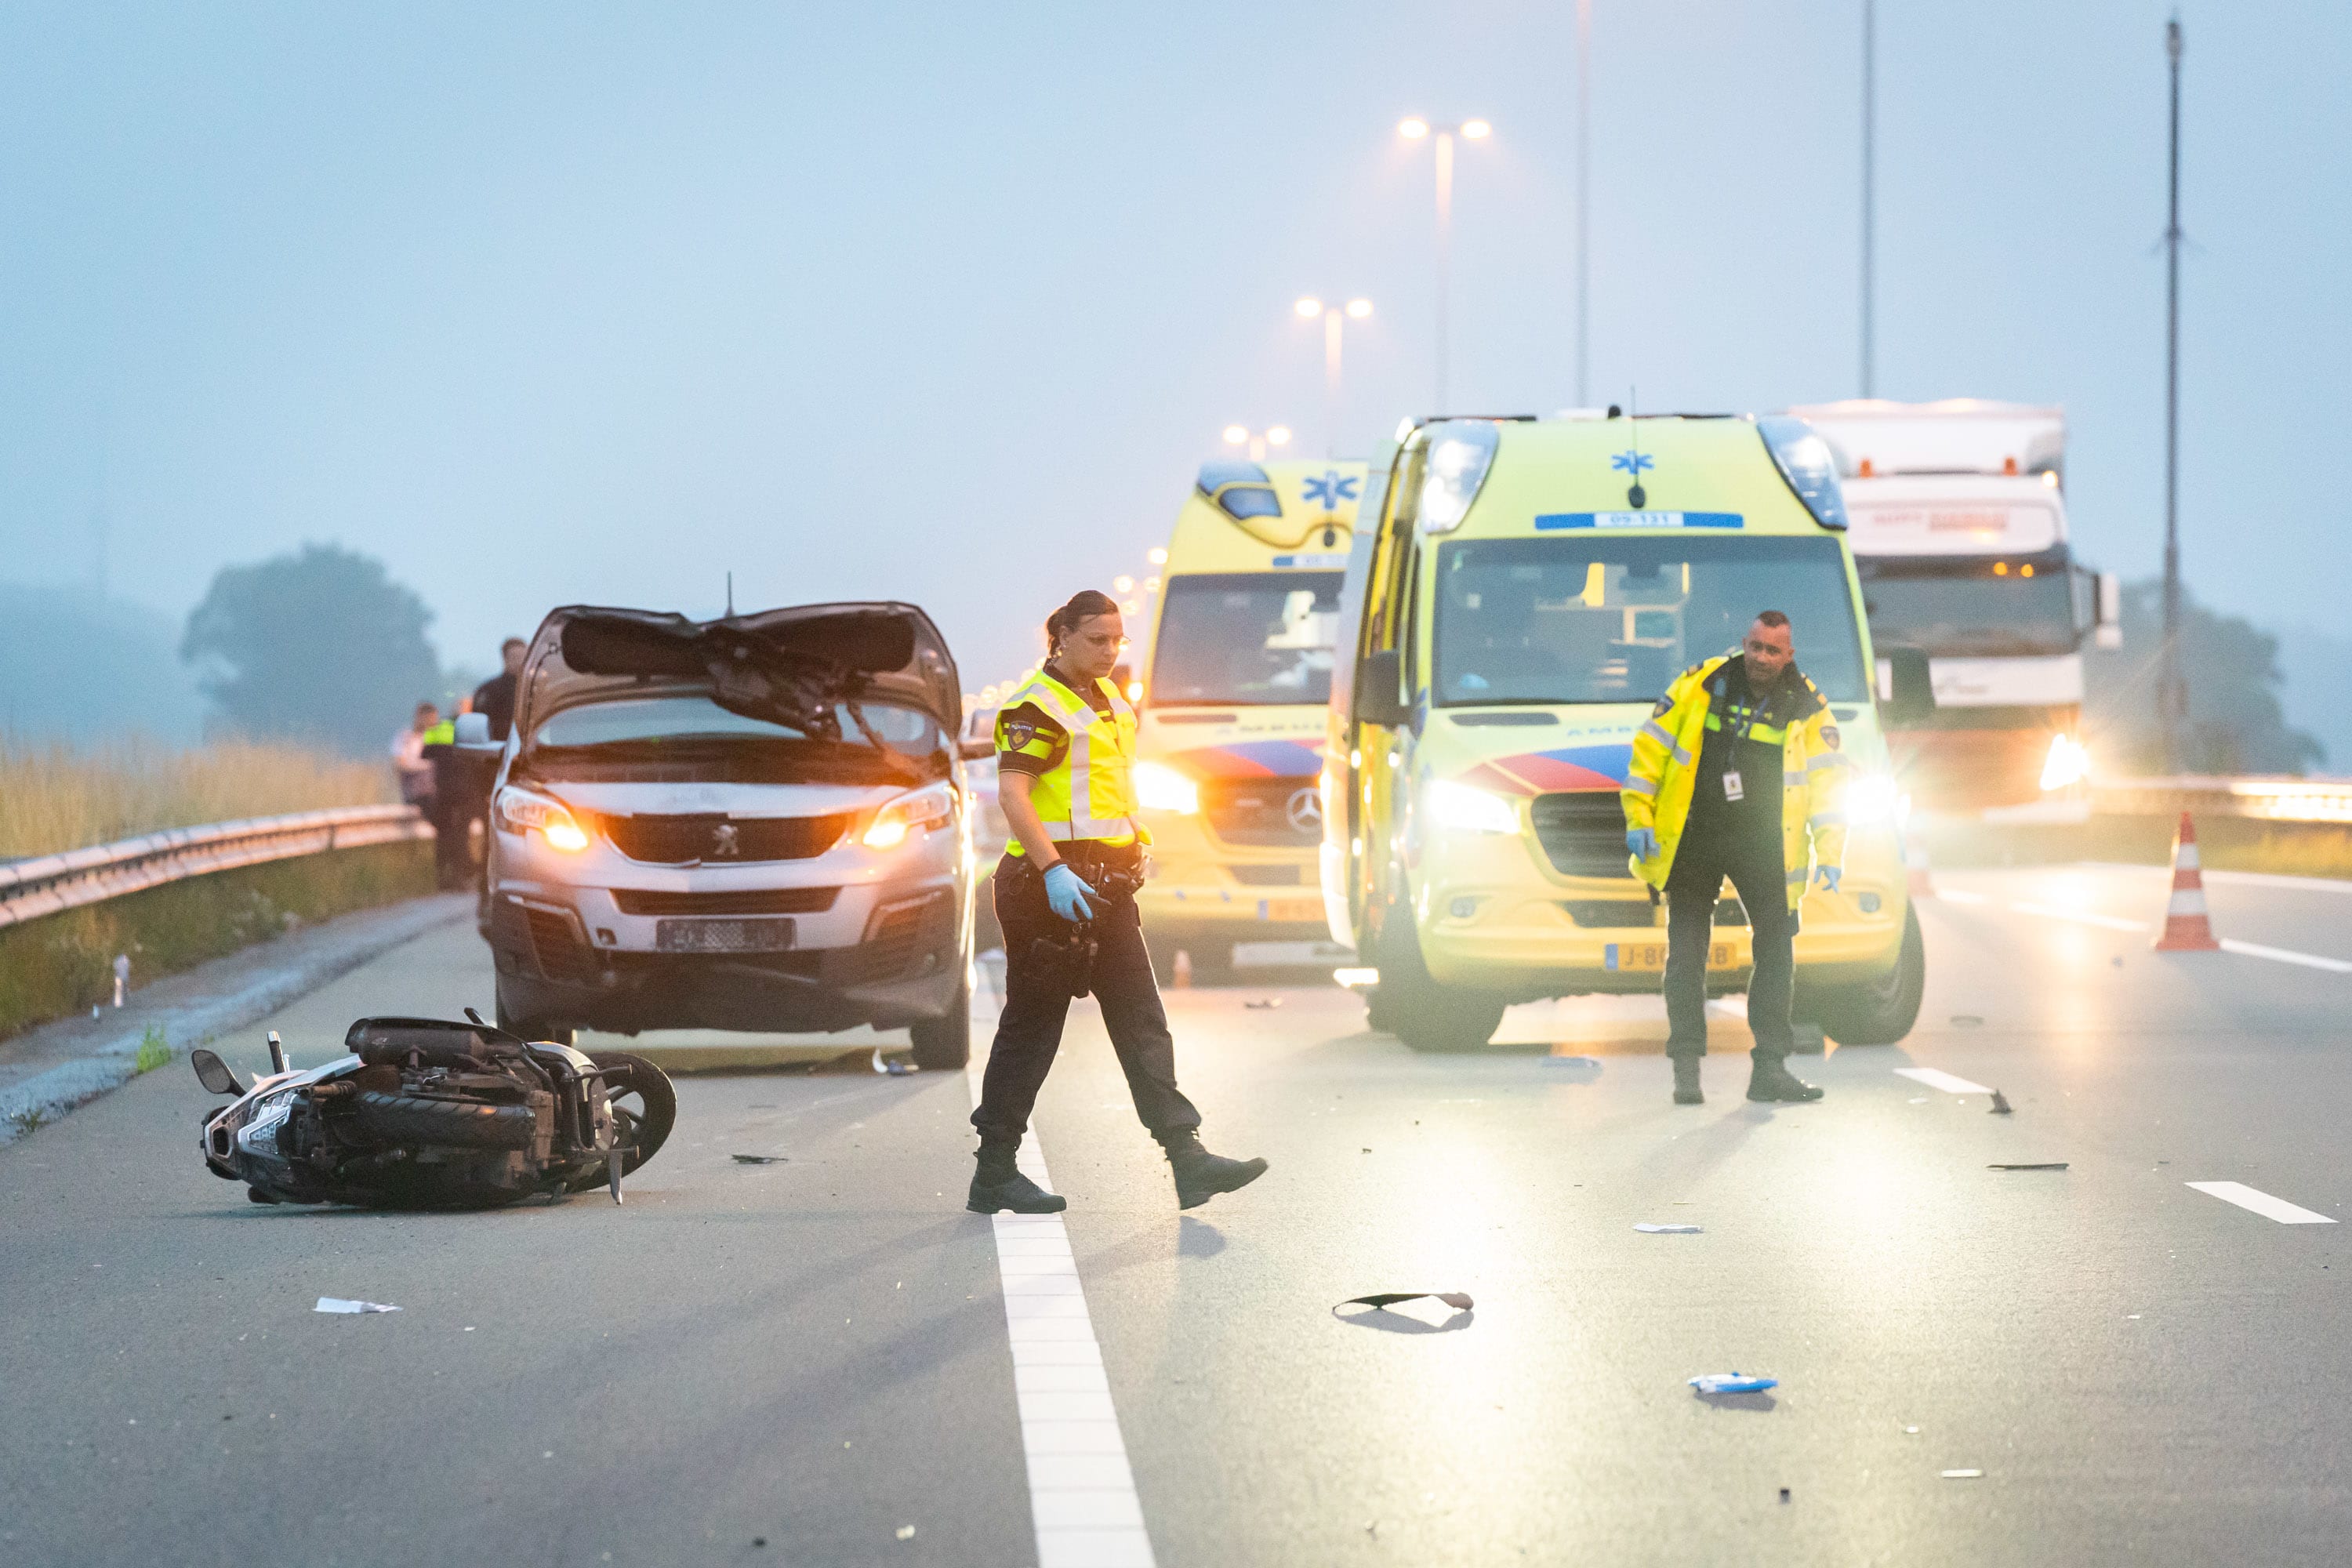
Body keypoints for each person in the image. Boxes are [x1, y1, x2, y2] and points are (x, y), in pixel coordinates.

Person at [968, 590, 1269, 1214]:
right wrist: (1053, 870)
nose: (1110, 651)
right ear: (1062, 638)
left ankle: (1187, 1158)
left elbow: (1107, 790)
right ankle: (995, 1170)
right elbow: (1015, 796)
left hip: (1105, 887)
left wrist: (1135, 843)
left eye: (1117, 640)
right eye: (1097, 640)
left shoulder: (1109, 700)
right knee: (1033, 1029)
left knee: (1141, 1019)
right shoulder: (1035, 707)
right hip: (1048, 889)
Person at [1621, 611, 1849, 1105]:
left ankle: (1770, 1069)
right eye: (1755, 647)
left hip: (1765, 842)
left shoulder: (1807, 705)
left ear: (1789, 655)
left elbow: (1830, 782)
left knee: (1776, 949)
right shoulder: (1701, 684)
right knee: (1686, 953)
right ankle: (1686, 1071)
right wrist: (1638, 816)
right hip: (1696, 834)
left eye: (1773, 651)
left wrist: (1831, 850)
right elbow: (1650, 751)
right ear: (1743, 643)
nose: (1761, 658)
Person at [469, 637, 529, 742]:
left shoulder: (536, 689)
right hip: (499, 746)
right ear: (505, 659)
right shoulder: (488, 691)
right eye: (515, 657)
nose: (519, 662)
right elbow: (480, 725)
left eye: (523, 657)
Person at [390, 702, 443, 808]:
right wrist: (425, 767)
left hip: (434, 792)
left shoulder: (437, 738)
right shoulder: (406, 737)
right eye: (429, 719)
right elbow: (400, 763)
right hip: (414, 791)